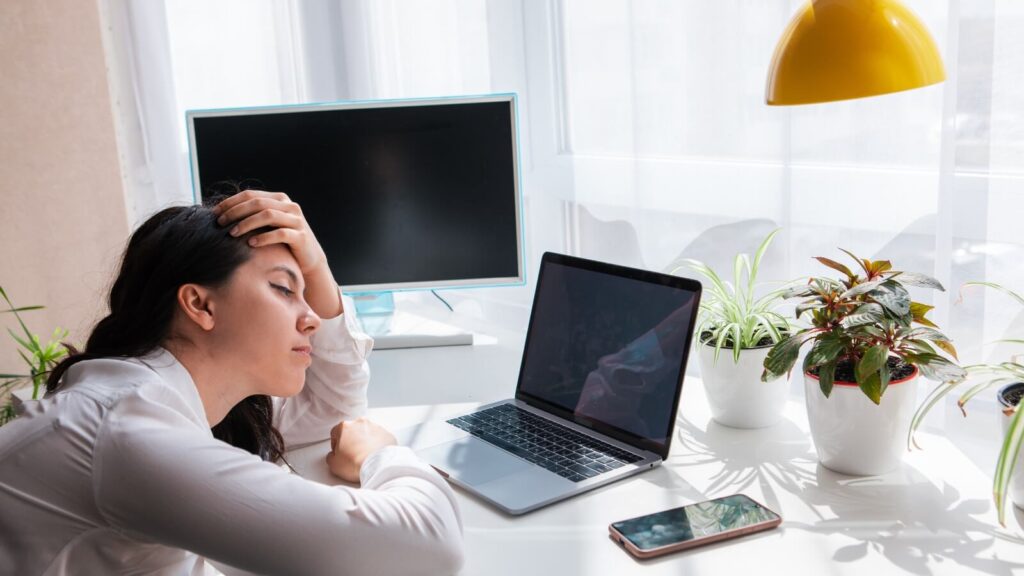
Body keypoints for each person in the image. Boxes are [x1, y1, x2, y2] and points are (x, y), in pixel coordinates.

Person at [0, 190, 464, 575]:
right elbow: (428, 547)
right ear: (200, 305)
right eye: (284, 289)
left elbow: (331, 409)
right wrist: (380, 455)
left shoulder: (155, 399)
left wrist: (316, 266)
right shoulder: (130, 433)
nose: (312, 321)